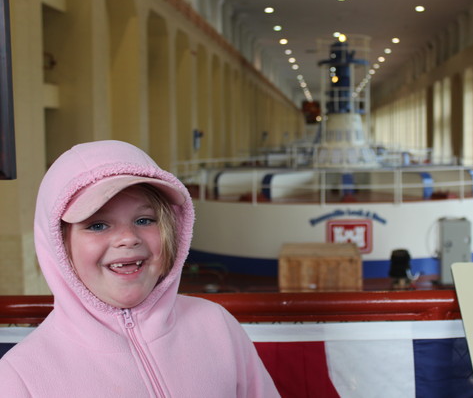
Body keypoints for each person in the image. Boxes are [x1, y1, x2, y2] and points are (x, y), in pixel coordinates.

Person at [0, 140, 280, 397]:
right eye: (97, 225)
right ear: (58, 245)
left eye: (145, 220)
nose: (128, 238)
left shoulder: (218, 326)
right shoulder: (20, 377)